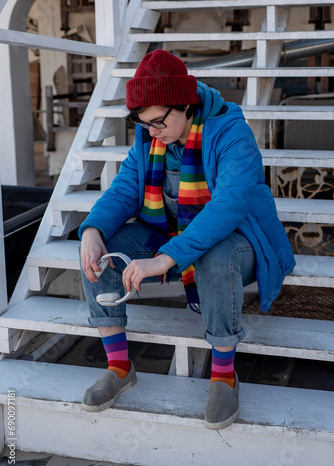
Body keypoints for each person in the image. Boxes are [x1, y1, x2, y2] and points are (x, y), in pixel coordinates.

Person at [79, 49, 295, 429]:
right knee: (103, 254)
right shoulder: (150, 137)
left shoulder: (231, 131)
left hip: (240, 237)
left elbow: (228, 206)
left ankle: (224, 375)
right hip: (169, 232)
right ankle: (119, 366)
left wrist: (166, 258)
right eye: (144, 123)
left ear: (185, 104)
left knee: (214, 257)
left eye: (159, 122)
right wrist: (93, 230)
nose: (151, 131)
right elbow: (126, 187)